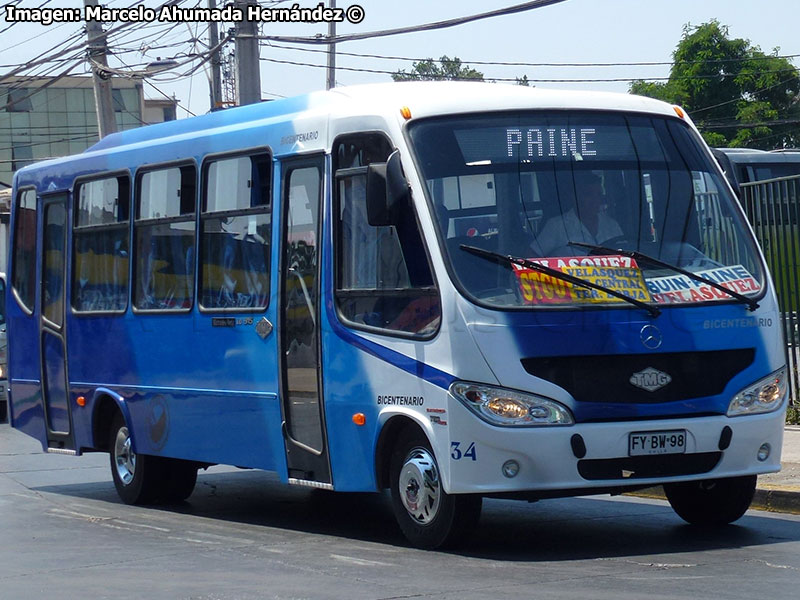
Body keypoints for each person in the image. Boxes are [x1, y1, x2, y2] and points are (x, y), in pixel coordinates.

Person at [532, 173, 623, 256]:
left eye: (598, 195)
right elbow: (532, 256)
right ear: (575, 197)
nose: (595, 200)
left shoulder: (612, 225)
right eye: (588, 194)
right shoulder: (556, 226)